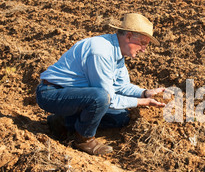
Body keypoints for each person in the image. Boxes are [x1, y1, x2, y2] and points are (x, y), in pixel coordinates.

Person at [36, 13, 165, 155]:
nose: (144, 49)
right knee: (101, 98)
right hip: (52, 93)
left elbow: (121, 86)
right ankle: (83, 139)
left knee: (121, 117)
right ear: (128, 36)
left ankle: (63, 122)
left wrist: (145, 93)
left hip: (76, 95)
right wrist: (142, 102)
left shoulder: (118, 53)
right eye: (143, 43)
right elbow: (108, 98)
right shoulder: (101, 53)